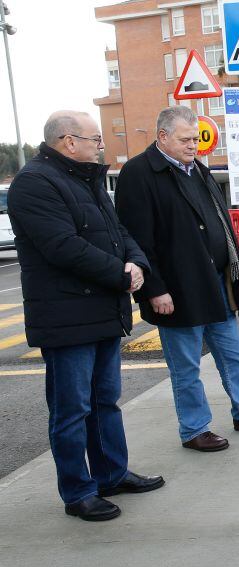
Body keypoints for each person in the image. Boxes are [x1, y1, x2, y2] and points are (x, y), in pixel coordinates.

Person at [7, 111, 164, 521]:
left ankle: (112, 473)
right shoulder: (35, 183)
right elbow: (61, 246)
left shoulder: (86, 179)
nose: (101, 145)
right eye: (94, 138)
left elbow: (120, 233)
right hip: (66, 316)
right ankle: (78, 491)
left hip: (101, 309)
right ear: (67, 141)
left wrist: (136, 264)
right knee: (71, 409)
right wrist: (119, 272)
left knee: (105, 402)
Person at [115, 106, 239, 453]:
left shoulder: (197, 170)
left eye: (196, 139)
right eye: (186, 139)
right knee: (186, 366)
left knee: (233, 354)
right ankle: (194, 429)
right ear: (162, 136)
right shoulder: (139, 174)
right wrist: (153, 289)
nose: (194, 145)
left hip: (217, 284)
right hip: (176, 291)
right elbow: (136, 240)